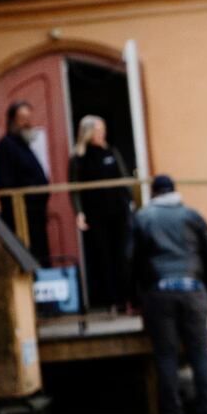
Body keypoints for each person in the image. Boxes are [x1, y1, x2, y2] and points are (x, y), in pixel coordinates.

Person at [130, 175, 207, 414]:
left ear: (154, 193)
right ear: (174, 192)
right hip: (193, 291)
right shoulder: (192, 216)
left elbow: (130, 260)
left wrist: (133, 299)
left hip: (158, 293)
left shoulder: (142, 217)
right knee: (199, 355)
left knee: (166, 357)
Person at [69, 115, 133, 311]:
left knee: (122, 254)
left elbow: (124, 179)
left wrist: (130, 202)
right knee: (102, 257)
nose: (102, 133)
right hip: (96, 214)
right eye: (98, 130)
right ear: (88, 133)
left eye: (102, 130)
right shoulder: (79, 157)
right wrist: (79, 213)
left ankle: (127, 298)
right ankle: (110, 300)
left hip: (118, 212)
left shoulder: (111, 152)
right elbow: (74, 188)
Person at [0, 100, 50, 262]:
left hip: (36, 216)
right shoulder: (6, 146)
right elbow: (4, 183)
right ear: (12, 121)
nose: (27, 123)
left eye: (28, 118)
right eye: (22, 118)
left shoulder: (25, 146)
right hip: (22, 219)